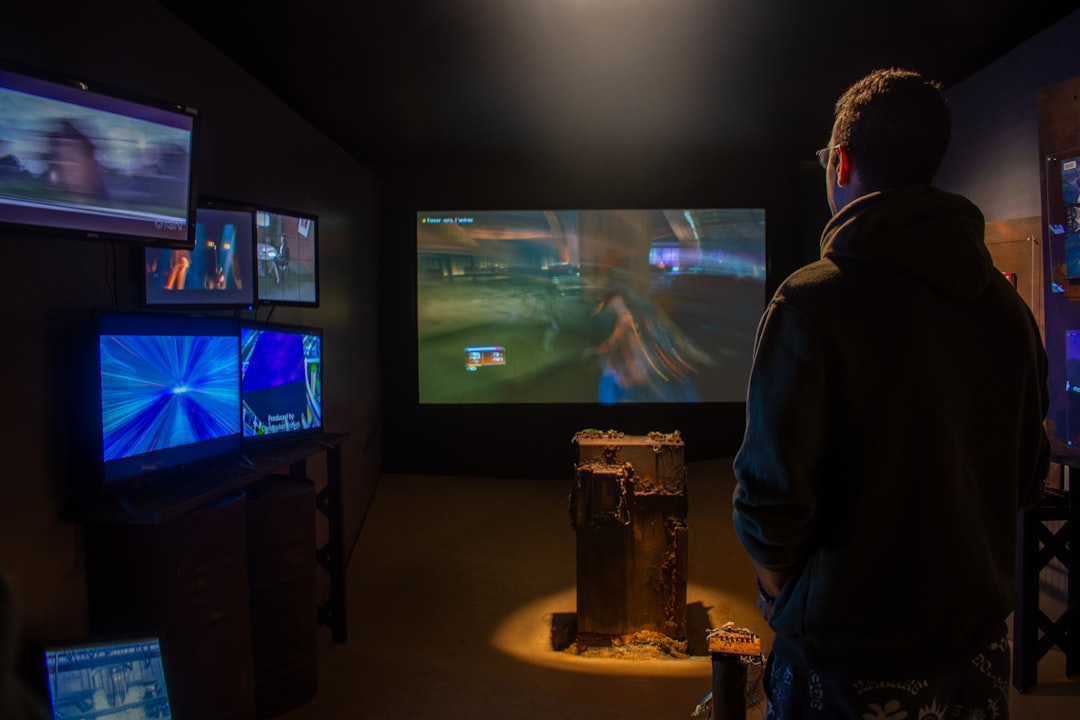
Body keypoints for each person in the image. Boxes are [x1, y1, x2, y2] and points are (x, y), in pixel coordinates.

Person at [731, 67, 1050, 719]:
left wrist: (782, 596)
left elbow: (771, 501)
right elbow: (1027, 476)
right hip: (975, 654)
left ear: (841, 162)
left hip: (846, 663)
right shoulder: (1007, 310)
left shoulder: (809, 304)